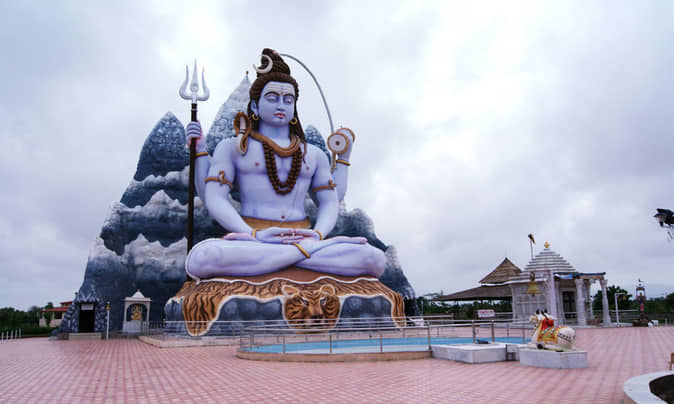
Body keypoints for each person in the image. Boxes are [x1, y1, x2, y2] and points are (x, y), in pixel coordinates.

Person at [184, 49, 386, 280]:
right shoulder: (234, 147)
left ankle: (281, 258)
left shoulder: (313, 154)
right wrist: (253, 235)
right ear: (255, 107)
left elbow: (331, 201)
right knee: (203, 257)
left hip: (304, 237)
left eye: (288, 100)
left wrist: (318, 235)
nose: (281, 105)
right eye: (272, 98)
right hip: (254, 239)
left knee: (374, 259)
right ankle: (300, 257)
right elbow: (214, 198)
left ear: (294, 107)